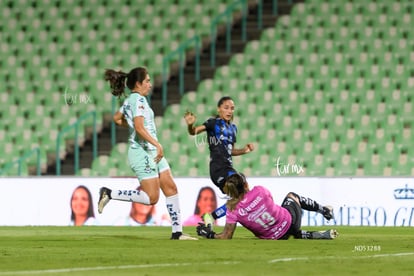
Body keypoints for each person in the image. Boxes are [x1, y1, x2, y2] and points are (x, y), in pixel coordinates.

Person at [98, 67, 196, 240]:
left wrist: (131, 125)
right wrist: (157, 144)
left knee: (171, 188)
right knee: (152, 198)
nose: (150, 84)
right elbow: (139, 127)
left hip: (151, 152)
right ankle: (109, 193)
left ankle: (177, 233)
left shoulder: (132, 100)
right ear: (138, 83)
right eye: (147, 81)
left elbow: (116, 118)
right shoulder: (138, 101)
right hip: (142, 152)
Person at [196, 173, 338, 240]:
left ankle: (312, 234)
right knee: (291, 195)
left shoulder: (232, 210)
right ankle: (324, 210)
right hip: (290, 222)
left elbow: (226, 236)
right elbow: (270, 204)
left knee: (278, 230)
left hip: (274, 238)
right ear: (245, 185)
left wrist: (209, 234)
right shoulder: (260, 190)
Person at [184, 96, 254, 227]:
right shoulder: (213, 123)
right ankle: (224, 221)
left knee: (241, 196)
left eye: (232, 108)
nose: (229, 111)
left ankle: (211, 217)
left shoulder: (233, 128)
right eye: (226, 108)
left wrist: (245, 150)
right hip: (218, 169)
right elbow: (193, 132)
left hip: (229, 168)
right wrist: (190, 125)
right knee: (241, 192)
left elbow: (231, 151)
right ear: (219, 109)